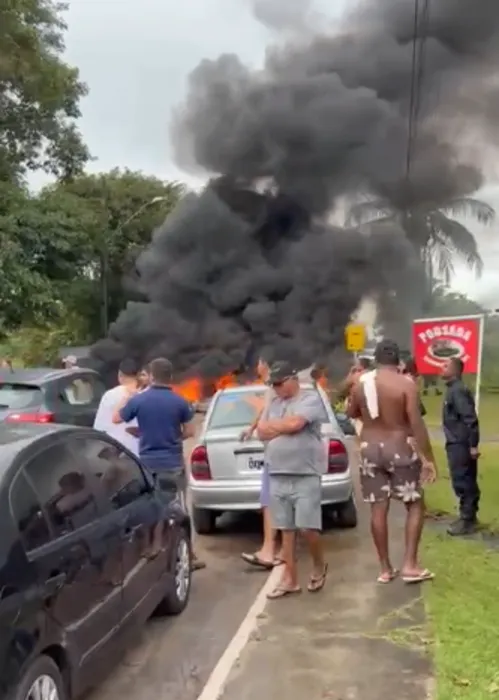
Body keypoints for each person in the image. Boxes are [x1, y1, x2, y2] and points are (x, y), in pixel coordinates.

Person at [347, 339, 437, 584]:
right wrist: (428, 458)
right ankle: (409, 565)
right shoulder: (406, 385)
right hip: (399, 448)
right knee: (415, 504)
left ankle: (385, 569)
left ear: (376, 359)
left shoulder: (360, 384)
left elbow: (351, 413)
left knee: (378, 507)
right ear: (398, 361)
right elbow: (416, 423)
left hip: (370, 449)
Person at [112, 357, 206, 570]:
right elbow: (190, 431)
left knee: (150, 502)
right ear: (171, 377)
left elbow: (116, 418)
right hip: (172, 462)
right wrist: (172, 437)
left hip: (146, 463)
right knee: (177, 507)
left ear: (152, 376)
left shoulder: (140, 400)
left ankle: (150, 545)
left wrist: (130, 399)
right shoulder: (180, 401)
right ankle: (188, 553)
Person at [257, 361, 328, 599]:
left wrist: (277, 427)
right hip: (277, 472)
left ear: (292, 379)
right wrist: (282, 427)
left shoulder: (310, 399)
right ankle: (290, 579)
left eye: (279, 383)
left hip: (305, 473)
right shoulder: (275, 403)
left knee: (308, 527)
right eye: (273, 385)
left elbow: (297, 423)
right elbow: (261, 431)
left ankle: (319, 564)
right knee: (286, 528)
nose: (276, 389)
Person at [240, 357, 283, 569]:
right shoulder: (274, 387)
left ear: (264, 364)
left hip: (278, 454)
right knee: (272, 501)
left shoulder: (276, 387)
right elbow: (264, 410)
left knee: (271, 502)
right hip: (272, 453)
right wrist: (251, 428)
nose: (256, 366)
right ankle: (278, 550)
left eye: (258, 362)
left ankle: (269, 551)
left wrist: (263, 429)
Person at [441, 357, 480, 535]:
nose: (441, 368)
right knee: (463, 480)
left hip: (461, 443)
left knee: (463, 480)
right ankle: (468, 516)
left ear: (455, 370)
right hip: (455, 442)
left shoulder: (458, 391)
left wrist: (473, 445)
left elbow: (470, 419)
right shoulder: (452, 390)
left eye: (445, 365)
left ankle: (467, 520)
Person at [93, 358, 140, 455]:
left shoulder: (110, 395)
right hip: (141, 452)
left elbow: (99, 428)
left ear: (120, 375)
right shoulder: (147, 394)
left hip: (116, 450)